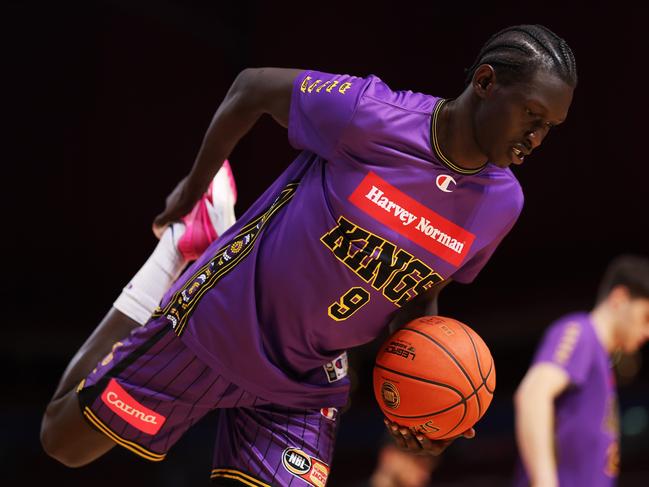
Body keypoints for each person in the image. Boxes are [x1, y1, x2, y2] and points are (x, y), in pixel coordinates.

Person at [41, 24, 576, 486]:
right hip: (221, 322)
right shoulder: (373, 115)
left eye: (550, 126)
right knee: (63, 442)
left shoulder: (501, 204)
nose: (537, 135)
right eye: (532, 114)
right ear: (485, 82)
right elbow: (250, 88)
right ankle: (177, 259)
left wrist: (412, 395)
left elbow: (419, 289)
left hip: (305, 380)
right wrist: (191, 188)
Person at [512, 255, 649, 487]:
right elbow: (533, 395)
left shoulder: (603, 363)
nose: (648, 332)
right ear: (619, 298)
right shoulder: (581, 331)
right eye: (646, 317)